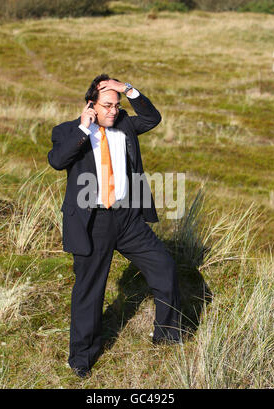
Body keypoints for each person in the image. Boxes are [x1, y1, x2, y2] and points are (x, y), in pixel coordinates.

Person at [48, 74, 182, 379]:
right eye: (107, 105)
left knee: (164, 266)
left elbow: (152, 117)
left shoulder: (125, 125)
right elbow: (57, 160)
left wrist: (129, 89)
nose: (113, 110)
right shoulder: (69, 131)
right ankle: (82, 357)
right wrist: (84, 128)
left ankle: (167, 334)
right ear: (91, 105)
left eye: (116, 104)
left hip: (127, 218)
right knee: (89, 291)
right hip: (93, 221)